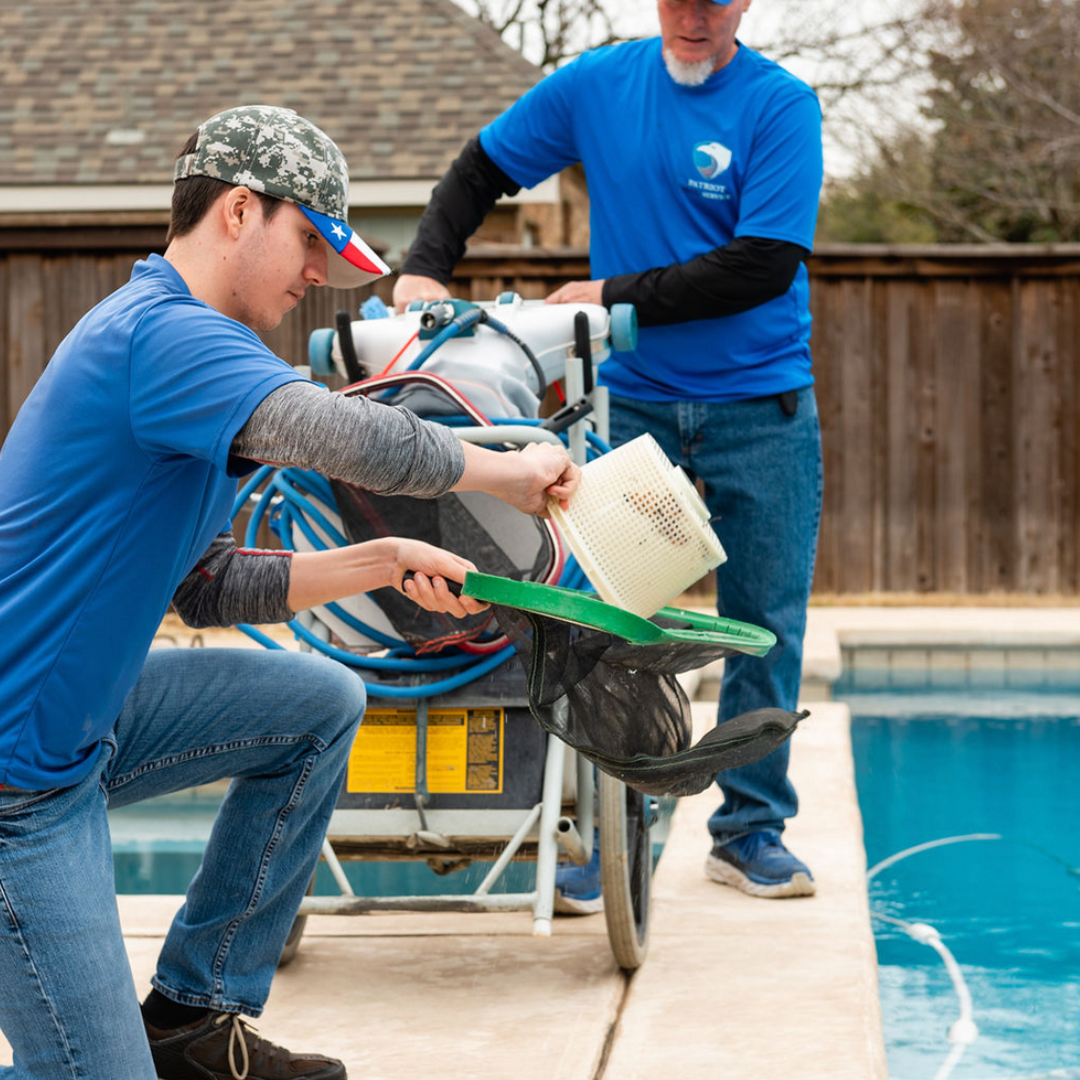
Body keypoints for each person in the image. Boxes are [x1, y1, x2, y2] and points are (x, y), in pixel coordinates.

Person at [0, 105, 578, 1080]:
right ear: (237, 211)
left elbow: (211, 586)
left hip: (81, 725)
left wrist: (384, 558)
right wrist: (505, 470)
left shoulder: (186, 355)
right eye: (308, 240)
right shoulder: (164, 337)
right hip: (17, 780)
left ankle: (193, 1019)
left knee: (318, 705)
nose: (317, 272)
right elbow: (352, 437)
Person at [392, 0, 823, 905]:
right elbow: (481, 168)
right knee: (610, 618)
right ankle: (611, 836)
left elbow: (763, 264)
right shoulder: (597, 85)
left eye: (713, 1)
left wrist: (610, 292)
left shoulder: (780, 105)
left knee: (766, 619)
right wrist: (426, 264)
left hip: (762, 405)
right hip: (634, 407)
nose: (693, 16)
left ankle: (749, 831)